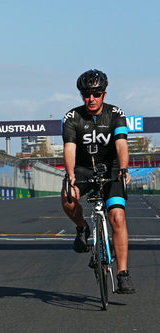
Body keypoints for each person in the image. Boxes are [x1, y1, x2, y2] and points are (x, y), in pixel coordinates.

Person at [61, 69, 135, 294]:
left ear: (104, 94)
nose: (91, 99)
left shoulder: (116, 114)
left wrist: (123, 169)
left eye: (96, 94)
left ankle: (123, 274)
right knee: (67, 197)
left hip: (111, 168)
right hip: (84, 169)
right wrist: (71, 175)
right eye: (86, 94)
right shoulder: (72, 117)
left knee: (118, 217)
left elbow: (122, 143)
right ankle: (82, 228)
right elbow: (69, 148)